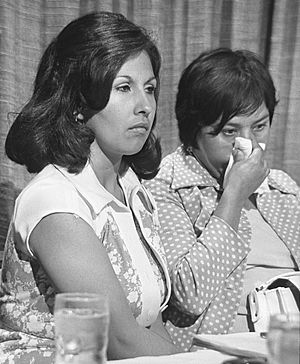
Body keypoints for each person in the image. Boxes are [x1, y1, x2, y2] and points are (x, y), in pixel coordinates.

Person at [0, 11, 181, 362]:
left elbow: (149, 319)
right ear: (79, 103)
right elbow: (120, 341)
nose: (145, 106)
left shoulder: (133, 188)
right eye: (124, 88)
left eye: (150, 89)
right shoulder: (54, 198)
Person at [144, 48, 300, 351]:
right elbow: (189, 295)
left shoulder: (283, 189)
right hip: (222, 353)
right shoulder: (165, 187)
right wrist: (235, 196)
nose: (249, 145)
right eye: (229, 131)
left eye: (259, 126)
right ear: (194, 132)